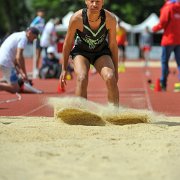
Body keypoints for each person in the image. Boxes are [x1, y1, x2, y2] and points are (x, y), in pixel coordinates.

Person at [59, 0, 119, 106]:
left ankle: (114, 113)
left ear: (103, 2)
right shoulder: (76, 18)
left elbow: (113, 45)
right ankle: (81, 113)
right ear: (86, 2)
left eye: (98, 1)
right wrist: (63, 69)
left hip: (101, 52)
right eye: (92, 1)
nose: (95, 4)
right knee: (82, 77)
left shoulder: (110, 19)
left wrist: (116, 71)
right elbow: (68, 43)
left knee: (110, 77)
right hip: (81, 52)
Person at [0, 27, 39, 93]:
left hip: (3, 59)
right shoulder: (24, 38)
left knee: (11, 78)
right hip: (6, 61)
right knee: (15, 89)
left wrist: (20, 73)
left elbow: (15, 59)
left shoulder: (18, 34)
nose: (33, 40)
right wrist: (25, 74)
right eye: (34, 37)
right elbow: (19, 57)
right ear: (29, 33)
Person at [152, 0, 180, 91]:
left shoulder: (168, 7)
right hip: (179, 39)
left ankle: (163, 84)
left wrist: (154, 29)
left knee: (164, 62)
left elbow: (162, 22)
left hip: (168, 39)